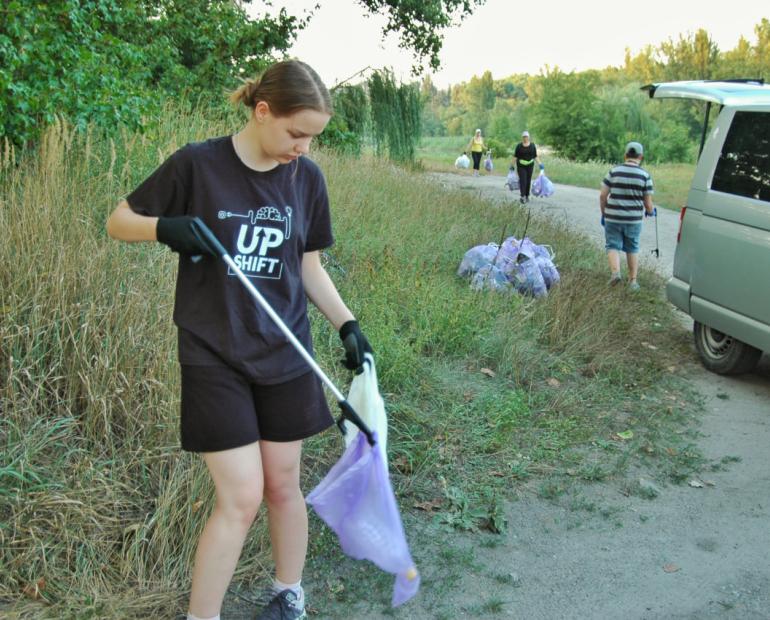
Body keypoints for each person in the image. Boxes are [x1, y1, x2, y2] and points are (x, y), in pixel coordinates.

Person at [106, 59, 372, 620]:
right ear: (262, 111)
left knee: (282, 485)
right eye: (296, 134)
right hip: (214, 352)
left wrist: (347, 325)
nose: (303, 148)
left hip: (285, 350)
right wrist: (164, 227)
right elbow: (118, 220)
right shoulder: (198, 165)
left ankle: (288, 595)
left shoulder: (307, 178)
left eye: (313, 138)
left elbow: (309, 267)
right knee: (241, 497)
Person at [599, 141, 654, 291]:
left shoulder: (613, 172)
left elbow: (603, 195)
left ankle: (616, 273)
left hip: (613, 217)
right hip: (633, 220)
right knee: (632, 248)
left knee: (612, 245)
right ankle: (633, 281)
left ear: (625, 155)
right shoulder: (645, 176)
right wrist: (650, 211)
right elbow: (648, 204)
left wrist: (604, 213)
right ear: (640, 157)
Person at [513, 131, 541, 203]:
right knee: (523, 180)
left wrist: (540, 164)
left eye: (526, 137)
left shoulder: (532, 146)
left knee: (528, 181)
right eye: (524, 137)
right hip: (521, 166)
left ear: (529, 137)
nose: (525, 138)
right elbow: (515, 156)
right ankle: (522, 196)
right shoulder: (519, 146)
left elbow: (535, 156)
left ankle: (527, 195)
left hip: (530, 165)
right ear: (522, 138)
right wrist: (511, 165)